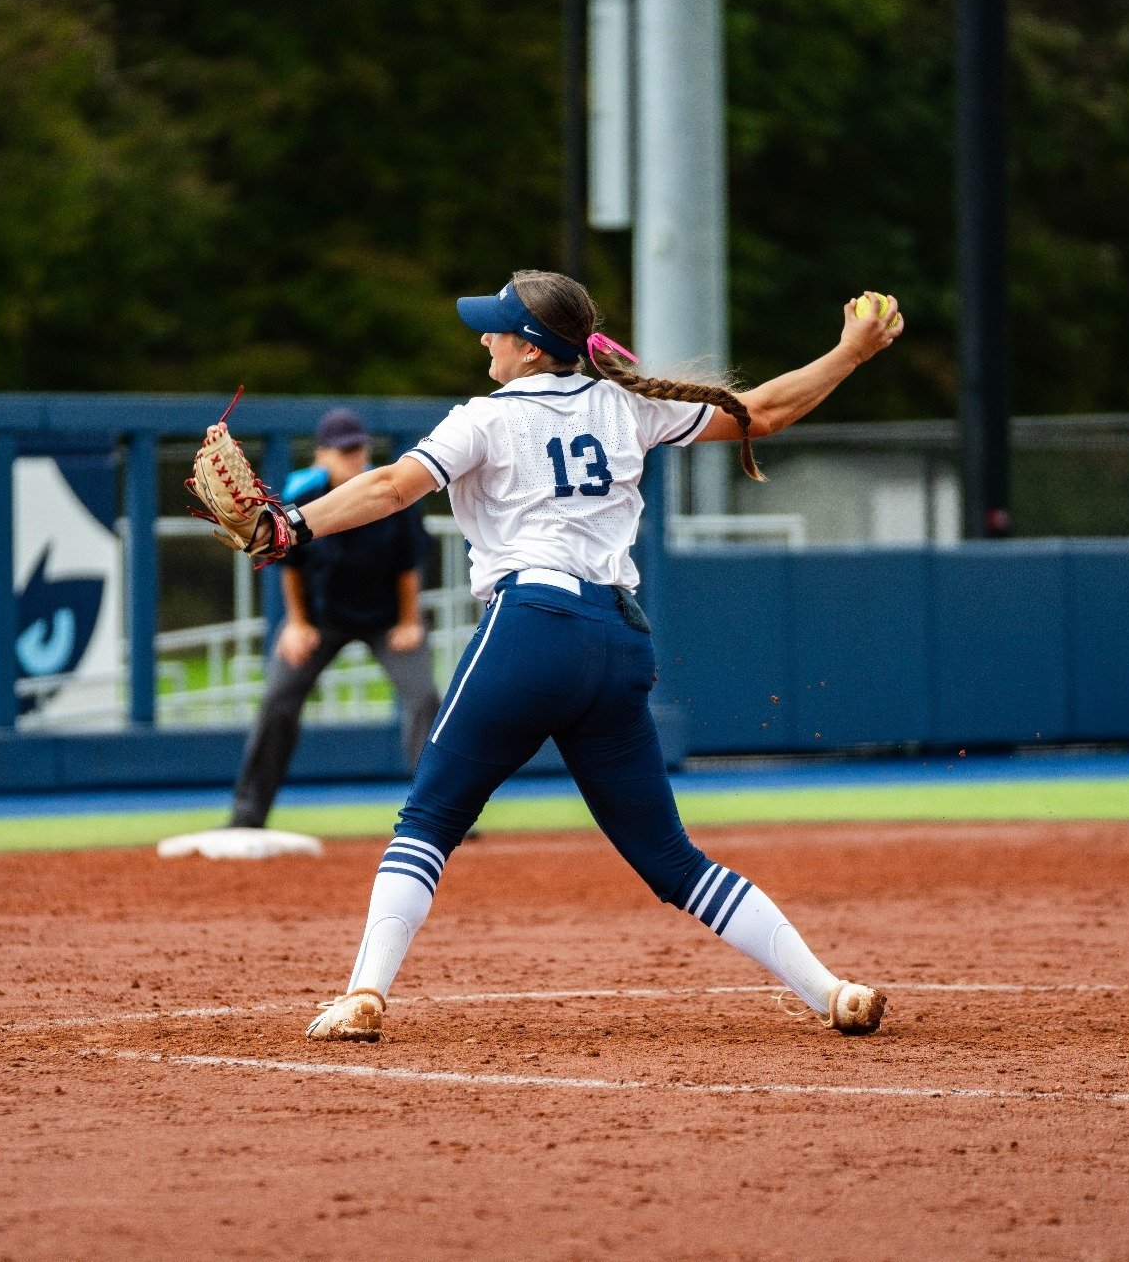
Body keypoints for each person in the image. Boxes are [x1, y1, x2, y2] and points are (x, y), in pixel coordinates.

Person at [237, 270, 903, 1041]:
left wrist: (290, 525)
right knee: (673, 861)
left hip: (530, 626)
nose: (484, 336)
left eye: (495, 327)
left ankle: (364, 994)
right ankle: (831, 989)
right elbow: (766, 411)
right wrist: (849, 352)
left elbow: (389, 487)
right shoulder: (624, 403)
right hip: (618, 643)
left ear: (527, 348)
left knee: (427, 818)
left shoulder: (483, 419)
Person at [228, 408, 441, 830]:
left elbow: (407, 565)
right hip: (322, 620)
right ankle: (247, 816)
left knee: (426, 700)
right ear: (322, 454)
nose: (354, 456)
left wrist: (409, 621)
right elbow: (291, 566)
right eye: (343, 450)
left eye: (358, 447)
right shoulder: (303, 495)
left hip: (386, 620)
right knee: (278, 700)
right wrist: (297, 623)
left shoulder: (388, 490)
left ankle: (439, 815)